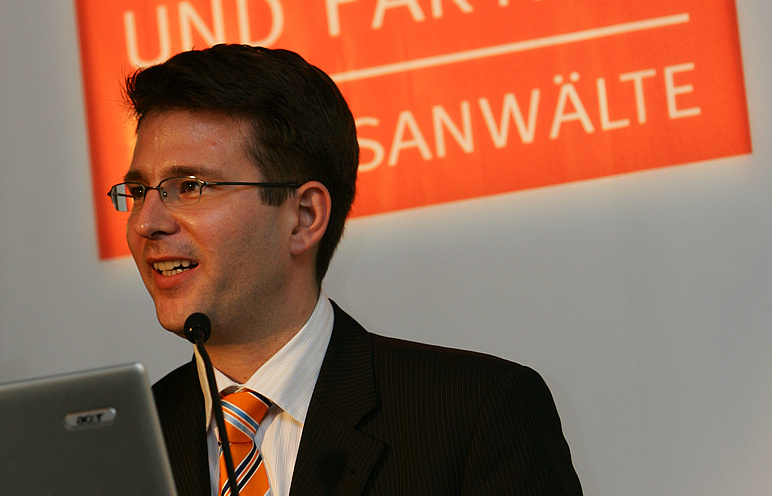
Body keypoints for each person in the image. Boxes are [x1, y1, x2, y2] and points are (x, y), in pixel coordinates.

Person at [108, 44, 583, 496]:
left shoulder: (474, 414)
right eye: (139, 191)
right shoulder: (121, 447)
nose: (146, 222)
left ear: (304, 217)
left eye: (190, 187)